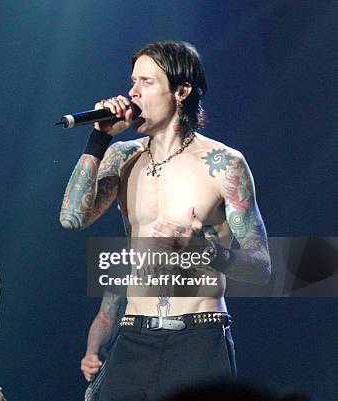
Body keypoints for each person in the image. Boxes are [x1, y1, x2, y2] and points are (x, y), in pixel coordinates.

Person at [60, 41, 270, 400]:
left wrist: (203, 250)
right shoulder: (122, 157)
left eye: (147, 82)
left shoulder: (223, 163)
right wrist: (98, 138)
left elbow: (261, 267)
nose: (132, 92)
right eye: (132, 82)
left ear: (182, 91)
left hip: (198, 335)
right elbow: (71, 217)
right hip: (134, 334)